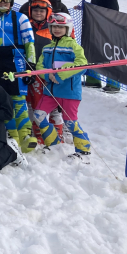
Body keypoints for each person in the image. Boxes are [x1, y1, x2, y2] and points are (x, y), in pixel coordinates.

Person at [34, 13, 91, 161]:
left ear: (68, 29)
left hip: (69, 92)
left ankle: (83, 150)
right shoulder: (47, 48)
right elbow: (40, 66)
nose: (57, 29)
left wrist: (60, 74)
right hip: (50, 91)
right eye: (54, 27)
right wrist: (48, 76)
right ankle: (54, 145)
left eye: (61, 27)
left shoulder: (73, 46)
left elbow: (82, 65)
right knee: (39, 115)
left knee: (70, 122)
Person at [0, 0, 38, 154]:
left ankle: (25, 135)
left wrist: (31, 65)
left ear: (12, 0)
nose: (3, 2)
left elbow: (30, 43)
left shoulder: (21, 18)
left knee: (18, 99)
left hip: (16, 61)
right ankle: (13, 136)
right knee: (3, 100)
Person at [25, 0, 64, 144]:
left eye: (42, 11)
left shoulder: (54, 28)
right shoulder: (26, 26)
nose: (38, 13)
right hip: (33, 72)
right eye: (35, 10)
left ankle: (57, 133)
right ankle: (37, 132)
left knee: (54, 105)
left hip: (51, 73)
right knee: (33, 103)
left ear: (48, 12)